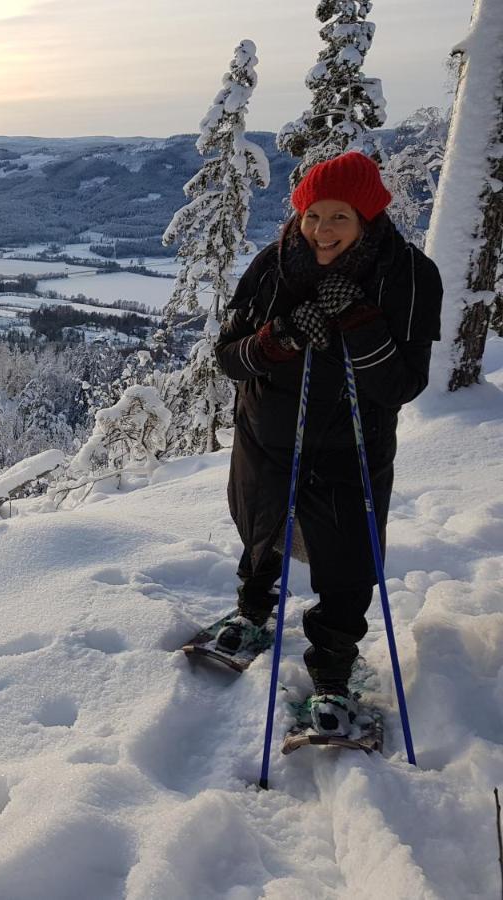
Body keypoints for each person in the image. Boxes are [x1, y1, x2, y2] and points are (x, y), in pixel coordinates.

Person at [213, 151, 442, 735]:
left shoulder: (409, 276)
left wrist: (361, 323)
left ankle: (335, 667)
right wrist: (279, 338)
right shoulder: (273, 266)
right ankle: (253, 609)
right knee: (262, 526)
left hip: (352, 447)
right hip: (268, 435)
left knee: (347, 560)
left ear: (367, 216)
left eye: (339, 216)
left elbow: (403, 384)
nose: (321, 229)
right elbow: (229, 357)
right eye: (313, 215)